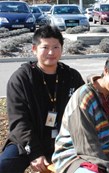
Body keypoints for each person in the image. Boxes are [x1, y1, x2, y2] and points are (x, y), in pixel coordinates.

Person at [0, 25, 85, 173]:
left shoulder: (72, 76)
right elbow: (19, 121)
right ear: (34, 49)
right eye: (45, 47)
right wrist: (34, 152)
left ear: (62, 49)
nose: (51, 52)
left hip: (64, 140)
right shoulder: (21, 78)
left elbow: (85, 107)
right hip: (29, 139)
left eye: (56, 47)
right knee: (4, 166)